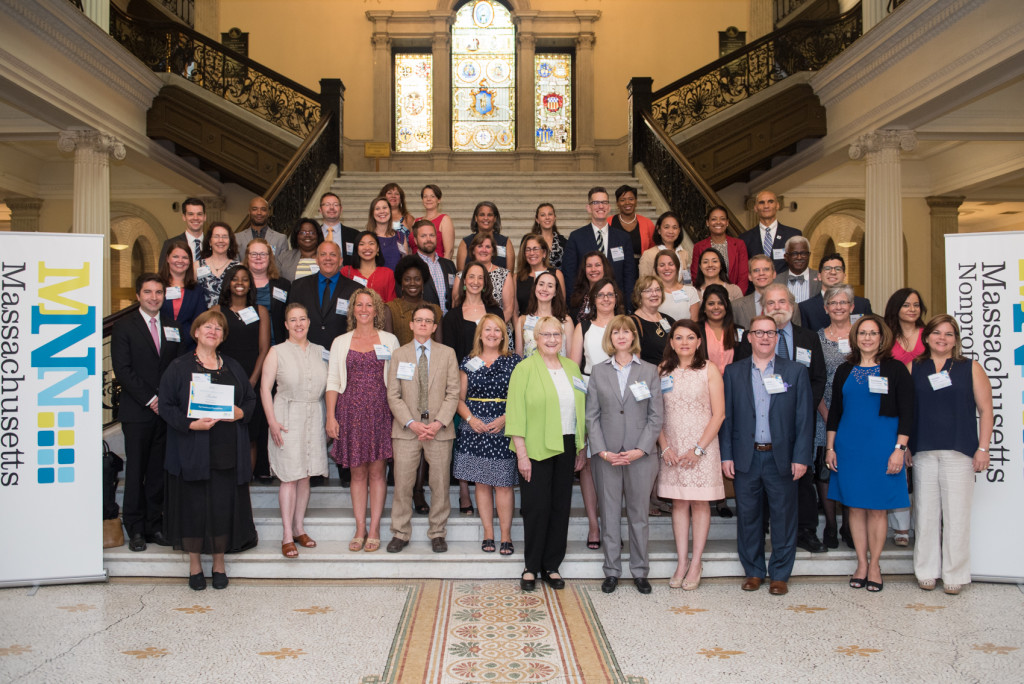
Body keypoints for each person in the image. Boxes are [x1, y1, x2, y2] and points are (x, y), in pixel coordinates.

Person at [158, 310, 258, 591]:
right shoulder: (179, 367)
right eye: (207, 327)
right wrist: (191, 424)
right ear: (196, 332)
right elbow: (165, 405)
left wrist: (241, 413)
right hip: (193, 450)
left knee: (221, 508)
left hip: (227, 450)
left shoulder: (233, 367)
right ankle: (194, 566)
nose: (213, 331)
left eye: (218, 328)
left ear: (223, 336)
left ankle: (219, 564)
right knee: (193, 508)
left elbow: (250, 400)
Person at [720, 315, 814, 596]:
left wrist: (801, 457)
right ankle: (753, 571)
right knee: (748, 517)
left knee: (784, 518)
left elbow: (804, 419)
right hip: (745, 457)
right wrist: (726, 455)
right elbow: (727, 418)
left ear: (777, 337)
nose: (764, 337)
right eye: (758, 333)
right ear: (748, 337)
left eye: (770, 333)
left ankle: (780, 574)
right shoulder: (733, 372)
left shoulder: (795, 371)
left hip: (781, 457)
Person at [825, 314, 914, 592]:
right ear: (855, 337)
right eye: (862, 332)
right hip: (849, 448)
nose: (867, 338)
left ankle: (875, 564)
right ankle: (861, 564)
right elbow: (835, 412)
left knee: (877, 509)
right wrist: (830, 447)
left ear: (882, 337)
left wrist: (899, 449)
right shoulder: (844, 369)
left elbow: (908, 413)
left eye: (873, 333)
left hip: (883, 447)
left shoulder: (895, 369)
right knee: (854, 507)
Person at [910, 315, 993, 595]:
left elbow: (986, 410)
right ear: (927, 337)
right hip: (923, 450)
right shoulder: (914, 367)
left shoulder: (970, 367)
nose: (942, 338)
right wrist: (905, 446)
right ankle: (926, 571)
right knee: (925, 515)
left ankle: (955, 574)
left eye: (948, 334)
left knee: (957, 516)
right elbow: (907, 410)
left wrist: (983, 448)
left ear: (956, 339)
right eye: (937, 333)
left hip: (960, 451)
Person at [506, 316, 587, 592]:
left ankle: (552, 565)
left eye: (556, 334)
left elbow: (580, 410)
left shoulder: (572, 367)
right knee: (536, 508)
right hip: (535, 447)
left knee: (560, 507)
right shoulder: (524, 369)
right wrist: (521, 454)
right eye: (546, 334)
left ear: (562, 339)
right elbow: (515, 411)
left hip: (567, 444)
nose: (552, 339)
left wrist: (580, 446)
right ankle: (531, 566)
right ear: (535, 338)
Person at [586, 316, 664, 594]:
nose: (621, 336)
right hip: (607, 455)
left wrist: (641, 449)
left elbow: (656, 417)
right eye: (615, 332)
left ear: (633, 337)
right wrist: (602, 451)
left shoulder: (650, 371)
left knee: (639, 515)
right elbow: (591, 416)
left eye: (626, 332)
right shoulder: (598, 372)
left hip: (640, 455)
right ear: (610, 337)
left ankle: (640, 571)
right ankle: (611, 571)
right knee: (608, 515)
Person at [111, 273, 181, 552]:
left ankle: (154, 525)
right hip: (138, 412)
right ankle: (135, 528)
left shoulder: (173, 326)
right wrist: (152, 399)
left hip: (165, 413)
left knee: (157, 473)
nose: (154, 297)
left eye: (158, 292)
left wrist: (167, 400)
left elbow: (176, 367)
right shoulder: (124, 326)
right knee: (136, 471)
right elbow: (123, 370)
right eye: (148, 292)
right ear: (138, 295)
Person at [327, 289, 400, 554]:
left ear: (376, 310)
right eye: (359, 304)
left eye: (369, 305)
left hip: (381, 411)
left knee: (378, 472)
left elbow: (397, 379)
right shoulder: (340, 342)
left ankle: (375, 528)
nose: (364, 309)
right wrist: (330, 416)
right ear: (353, 309)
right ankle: (360, 528)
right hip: (350, 412)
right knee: (357, 473)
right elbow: (333, 380)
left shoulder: (389, 340)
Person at [385, 305, 460, 554]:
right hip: (407, 430)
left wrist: (438, 423)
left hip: (439, 430)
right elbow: (393, 394)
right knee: (403, 485)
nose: (423, 324)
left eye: (428, 321)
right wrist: (411, 423)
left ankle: (438, 532)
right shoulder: (399, 354)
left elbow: (453, 392)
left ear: (435, 326)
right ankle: (400, 532)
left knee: (440, 484)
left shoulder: (448, 354)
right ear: (411, 324)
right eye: (419, 320)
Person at [657, 319, 725, 590]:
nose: (684, 342)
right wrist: (664, 447)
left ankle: (696, 563)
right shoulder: (663, 370)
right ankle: (681, 562)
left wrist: (698, 449)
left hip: (702, 448)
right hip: (672, 450)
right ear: (671, 342)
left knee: (699, 503)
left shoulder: (709, 369)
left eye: (690, 337)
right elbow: (655, 414)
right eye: (678, 337)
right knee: (679, 503)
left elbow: (719, 414)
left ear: (699, 342)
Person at [259, 303, 330, 558]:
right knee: (289, 476)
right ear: (286, 325)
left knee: (306, 475)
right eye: (293, 320)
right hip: (286, 418)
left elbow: (330, 387)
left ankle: (299, 528)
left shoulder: (321, 351)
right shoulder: (276, 351)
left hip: (314, 415)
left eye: (302, 319)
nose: (298, 324)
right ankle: (287, 534)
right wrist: (272, 421)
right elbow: (265, 389)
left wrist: (329, 419)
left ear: (309, 322)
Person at [453, 315, 522, 555]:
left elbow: (522, 397)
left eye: (497, 330)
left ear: (503, 335)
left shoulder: (514, 361)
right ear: (480, 334)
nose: (492, 334)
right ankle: (488, 534)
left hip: (504, 427)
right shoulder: (468, 361)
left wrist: (506, 418)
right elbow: (459, 399)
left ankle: (506, 536)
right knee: (481, 484)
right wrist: (471, 420)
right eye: (488, 329)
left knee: (503, 485)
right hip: (475, 429)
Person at [569, 278, 624, 549]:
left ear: (616, 298)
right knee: (590, 462)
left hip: (621, 395)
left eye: (610, 294)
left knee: (616, 460)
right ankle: (594, 525)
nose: (605, 299)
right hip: (590, 393)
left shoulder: (625, 324)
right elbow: (573, 366)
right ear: (592, 299)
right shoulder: (584, 326)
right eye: (600, 295)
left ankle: (613, 525)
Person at [217, 264, 271, 475]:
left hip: (252, 379)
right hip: (223, 379)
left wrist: (253, 380)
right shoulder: (216, 312)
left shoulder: (260, 311)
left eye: (245, 279)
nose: (240, 283)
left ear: (250, 285)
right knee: (225, 433)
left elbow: (264, 349)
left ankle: (246, 481)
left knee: (250, 434)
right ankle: (227, 479)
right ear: (228, 283)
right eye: (235, 278)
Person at [815, 285, 857, 549]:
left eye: (843, 302)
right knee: (825, 471)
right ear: (826, 308)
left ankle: (849, 526)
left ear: (852, 307)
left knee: (851, 469)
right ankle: (830, 524)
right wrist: (828, 415)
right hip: (825, 411)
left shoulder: (863, 334)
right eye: (833, 303)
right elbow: (814, 379)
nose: (838, 307)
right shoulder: (817, 338)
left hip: (857, 413)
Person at [883, 286, 926, 546]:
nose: (912, 309)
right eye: (906, 305)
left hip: (927, 406)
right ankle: (901, 527)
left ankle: (924, 524)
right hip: (896, 405)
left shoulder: (929, 334)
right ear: (896, 308)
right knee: (899, 464)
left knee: (923, 466)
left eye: (916, 305)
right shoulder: (887, 337)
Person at [562, 187, 636, 306]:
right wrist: (573, 306)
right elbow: (569, 275)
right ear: (589, 208)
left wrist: (628, 307)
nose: (601, 206)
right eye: (596, 202)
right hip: (585, 304)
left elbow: (629, 275)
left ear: (609, 207)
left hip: (617, 304)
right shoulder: (576, 237)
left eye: (604, 202)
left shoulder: (623, 238)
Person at [285, 241, 361, 350]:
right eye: (323, 254)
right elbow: (290, 321)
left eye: (333, 254)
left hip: (342, 351)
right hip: (305, 351)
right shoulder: (299, 286)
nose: (328, 258)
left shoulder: (356, 289)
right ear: (317, 260)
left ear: (340, 261)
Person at [452, 233, 515, 329]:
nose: (484, 250)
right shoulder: (461, 276)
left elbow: (508, 310)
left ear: (493, 251)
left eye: (488, 247)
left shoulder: (504, 275)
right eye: (480, 246)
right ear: (473, 250)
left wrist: (490, 330)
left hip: (498, 330)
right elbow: (455, 305)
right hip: (467, 331)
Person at [798, 253, 873, 332]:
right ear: (819, 276)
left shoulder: (862, 305)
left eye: (838, 269)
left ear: (844, 276)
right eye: (827, 269)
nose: (833, 272)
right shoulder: (806, 308)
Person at [159, 239, 208, 354]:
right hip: (159, 345)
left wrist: (182, 339)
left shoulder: (197, 291)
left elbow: (199, 321)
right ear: (167, 259)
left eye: (185, 257)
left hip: (188, 348)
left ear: (190, 261)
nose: (180, 261)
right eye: (175, 256)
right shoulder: (157, 286)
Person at [739, 190, 802, 277]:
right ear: (755, 208)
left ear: (777, 205)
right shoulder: (744, 238)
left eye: (770, 202)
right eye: (761, 202)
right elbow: (743, 270)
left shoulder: (793, 235)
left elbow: (798, 266)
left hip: (784, 284)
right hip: (756, 285)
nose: (766, 206)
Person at [688, 205, 748, 292]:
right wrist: (708, 296)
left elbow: (743, 276)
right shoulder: (699, 247)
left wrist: (735, 295)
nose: (718, 222)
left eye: (722, 219)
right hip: (707, 296)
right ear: (707, 223)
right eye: (714, 219)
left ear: (727, 222)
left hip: (735, 296)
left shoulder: (739, 244)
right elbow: (695, 276)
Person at [732, 255, 802, 328]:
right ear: (750, 276)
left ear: (774, 274)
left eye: (766, 269)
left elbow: (796, 333)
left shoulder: (792, 306)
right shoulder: (736, 306)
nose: (761, 273)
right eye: (756, 270)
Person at [243, 238, 290, 347]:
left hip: (277, 344)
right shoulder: (238, 284)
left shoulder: (283, 285)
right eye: (254, 254)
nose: (258, 257)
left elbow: (288, 315)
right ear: (247, 257)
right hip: (245, 343)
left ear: (270, 257)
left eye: (263, 254)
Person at [516, 271, 574, 357]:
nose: (544, 289)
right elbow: (519, 357)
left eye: (550, 286)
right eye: (541, 284)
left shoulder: (565, 321)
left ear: (555, 292)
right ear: (535, 288)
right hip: (530, 366)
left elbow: (571, 359)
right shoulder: (522, 320)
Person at [387, 255, 441, 347]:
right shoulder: (390, 309)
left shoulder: (435, 310)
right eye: (407, 279)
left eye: (417, 279)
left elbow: (439, 347)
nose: (412, 283)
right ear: (401, 283)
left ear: (423, 282)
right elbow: (389, 346)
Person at [514, 234, 566, 319]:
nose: (531, 253)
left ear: (544, 253)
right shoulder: (517, 277)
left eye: (535, 249)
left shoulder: (557, 274)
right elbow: (514, 311)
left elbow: (561, 307)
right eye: (528, 250)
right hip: (524, 325)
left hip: (550, 325)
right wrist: (518, 327)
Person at [413, 219, 457, 316]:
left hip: (448, 321)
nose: (428, 239)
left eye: (432, 235)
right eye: (423, 236)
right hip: (424, 321)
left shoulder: (449, 265)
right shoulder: (410, 265)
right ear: (415, 240)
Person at [630, 275, 675, 366]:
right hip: (649, 373)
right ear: (639, 295)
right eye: (648, 291)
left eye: (657, 290)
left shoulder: (668, 320)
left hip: (671, 371)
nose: (654, 294)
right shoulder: (631, 323)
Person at [609, 184, 655, 272]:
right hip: (615, 269)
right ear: (617, 203)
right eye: (622, 200)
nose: (627, 203)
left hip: (642, 269)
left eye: (631, 199)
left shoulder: (647, 223)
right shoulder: (609, 222)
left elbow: (653, 248)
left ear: (636, 201)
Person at [698, 284, 742, 375]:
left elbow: (743, 362)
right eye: (711, 304)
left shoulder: (739, 331)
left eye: (720, 303)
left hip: (733, 381)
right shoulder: (695, 331)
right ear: (704, 308)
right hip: (705, 381)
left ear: (726, 307)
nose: (716, 307)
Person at [340, 230, 396, 302]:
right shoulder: (346, 271)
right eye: (362, 244)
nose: (367, 248)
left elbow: (391, 303)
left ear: (378, 248)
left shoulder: (388, 273)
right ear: (356, 249)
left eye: (371, 243)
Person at [456, 201, 514, 271]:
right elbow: (460, 273)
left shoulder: (505, 242)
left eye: (489, 215)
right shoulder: (465, 242)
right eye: (482, 215)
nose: (486, 218)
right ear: (476, 218)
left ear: (495, 218)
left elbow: (510, 273)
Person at [195, 222, 241, 307]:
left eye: (224, 236)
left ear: (230, 241)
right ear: (210, 241)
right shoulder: (197, 266)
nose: (221, 240)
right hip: (203, 314)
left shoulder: (239, 267)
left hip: (228, 314)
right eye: (216, 236)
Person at [639, 211, 691, 284]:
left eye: (675, 227)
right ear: (659, 230)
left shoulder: (683, 253)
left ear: (679, 231)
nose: (671, 231)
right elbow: (643, 284)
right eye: (666, 227)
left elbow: (685, 280)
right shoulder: (649, 255)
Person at [691, 247, 743, 315]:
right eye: (705, 262)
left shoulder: (734, 290)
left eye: (714, 261)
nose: (710, 265)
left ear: (721, 265)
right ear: (700, 267)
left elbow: (740, 315)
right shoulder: (693, 292)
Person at [568, 251, 613, 324]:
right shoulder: (577, 296)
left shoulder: (612, 295)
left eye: (597, 265)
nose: (593, 269)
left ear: (604, 268)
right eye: (589, 266)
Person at [653, 250, 699, 321]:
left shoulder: (690, 291)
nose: (667, 268)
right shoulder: (652, 293)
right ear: (656, 269)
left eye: (671, 264)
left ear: (677, 267)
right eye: (662, 265)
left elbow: (694, 323)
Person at [317, 192, 360, 266]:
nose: (331, 207)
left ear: (341, 209)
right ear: (320, 210)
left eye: (335, 204)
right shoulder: (314, 235)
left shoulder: (355, 235)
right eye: (327, 204)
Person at [159, 197, 206, 264]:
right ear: (184, 217)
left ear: (205, 217)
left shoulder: (213, 244)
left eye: (199, 214)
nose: (195, 218)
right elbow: (163, 269)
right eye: (191, 214)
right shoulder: (170, 244)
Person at [366, 196, 408, 271]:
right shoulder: (366, 237)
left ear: (390, 211)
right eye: (377, 209)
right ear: (372, 213)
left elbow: (406, 264)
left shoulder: (400, 236)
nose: (382, 211)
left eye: (385, 208)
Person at [414, 184, 455, 258]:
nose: (428, 199)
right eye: (425, 196)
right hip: (415, 263)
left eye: (432, 196)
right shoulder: (416, 221)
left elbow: (449, 251)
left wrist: (444, 265)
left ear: (439, 200)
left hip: (436, 263)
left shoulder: (444, 220)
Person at [774, 236, 817, 304]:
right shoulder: (776, 281)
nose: (799, 257)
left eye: (803, 253)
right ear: (786, 257)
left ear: (809, 255)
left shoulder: (820, 279)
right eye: (794, 254)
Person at [529, 203, 567, 270]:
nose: (547, 218)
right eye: (543, 215)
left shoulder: (563, 242)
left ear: (554, 218)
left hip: (558, 276)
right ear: (537, 219)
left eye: (550, 214)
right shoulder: (529, 240)